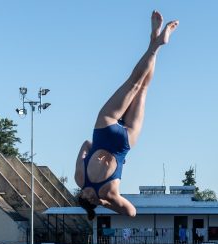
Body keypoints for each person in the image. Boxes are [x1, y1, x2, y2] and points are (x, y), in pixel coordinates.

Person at [75, 10, 180, 218]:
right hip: (105, 131)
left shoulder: (109, 194)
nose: (87, 195)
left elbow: (131, 212)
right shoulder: (80, 179)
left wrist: (106, 203)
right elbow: (86, 144)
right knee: (135, 83)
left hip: (123, 142)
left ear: (88, 200)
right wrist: (104, 200)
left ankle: (156, 43)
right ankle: (155, 42)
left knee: (141, 87)